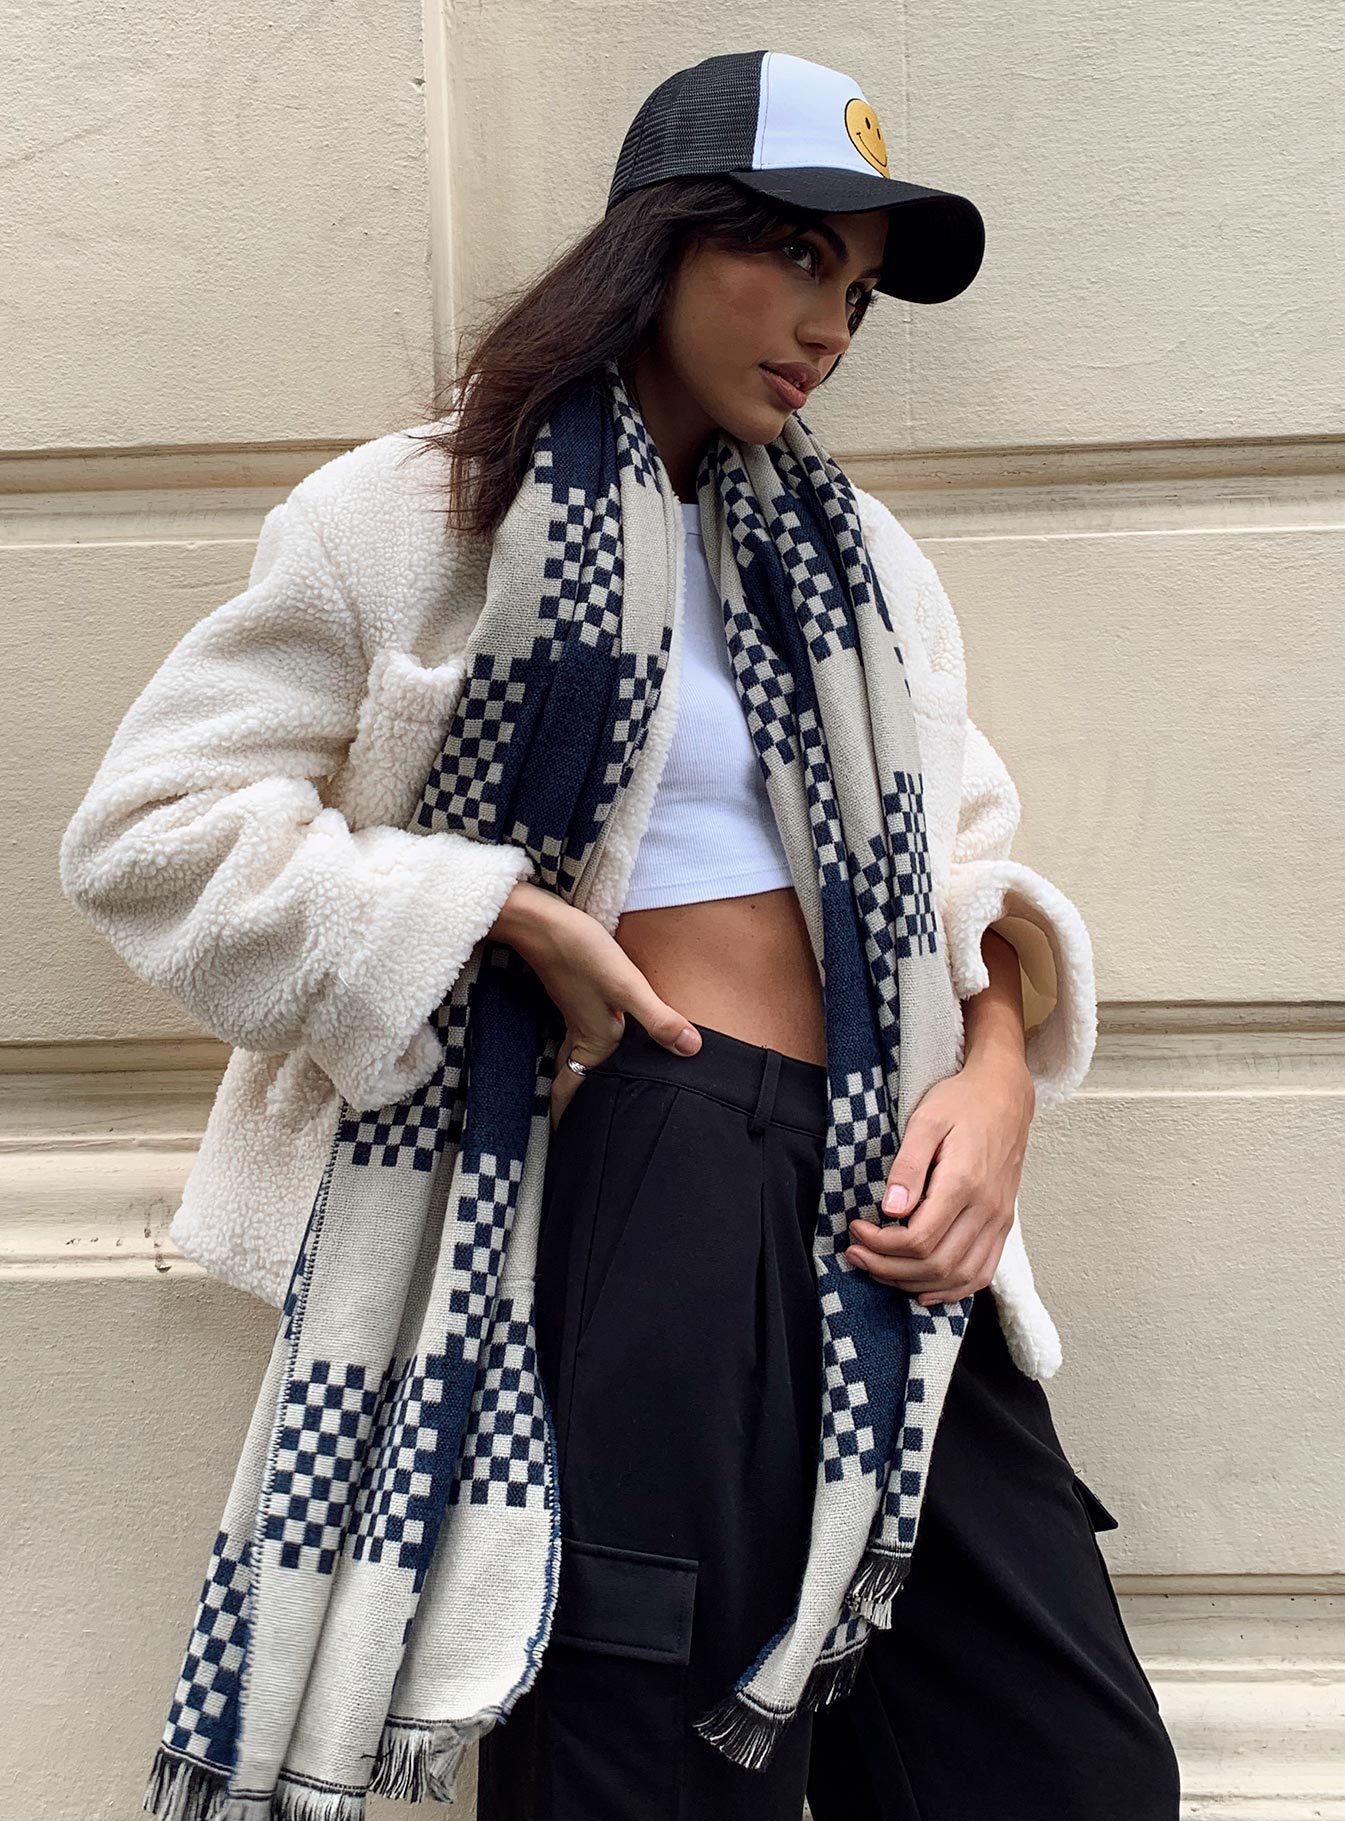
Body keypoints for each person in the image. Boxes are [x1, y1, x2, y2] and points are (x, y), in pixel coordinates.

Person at [61, 49, 1180, 1821]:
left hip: (888, 1187)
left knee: (1060, 1763)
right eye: (794, 256)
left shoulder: (862, 565)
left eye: (857, 291)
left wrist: (994, 1083)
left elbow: (963, 860)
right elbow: (146, 835)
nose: (826, 326)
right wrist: (489, 915)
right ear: (658, 241)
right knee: (645, 1766)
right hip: (639, 1158)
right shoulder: (417, 514)